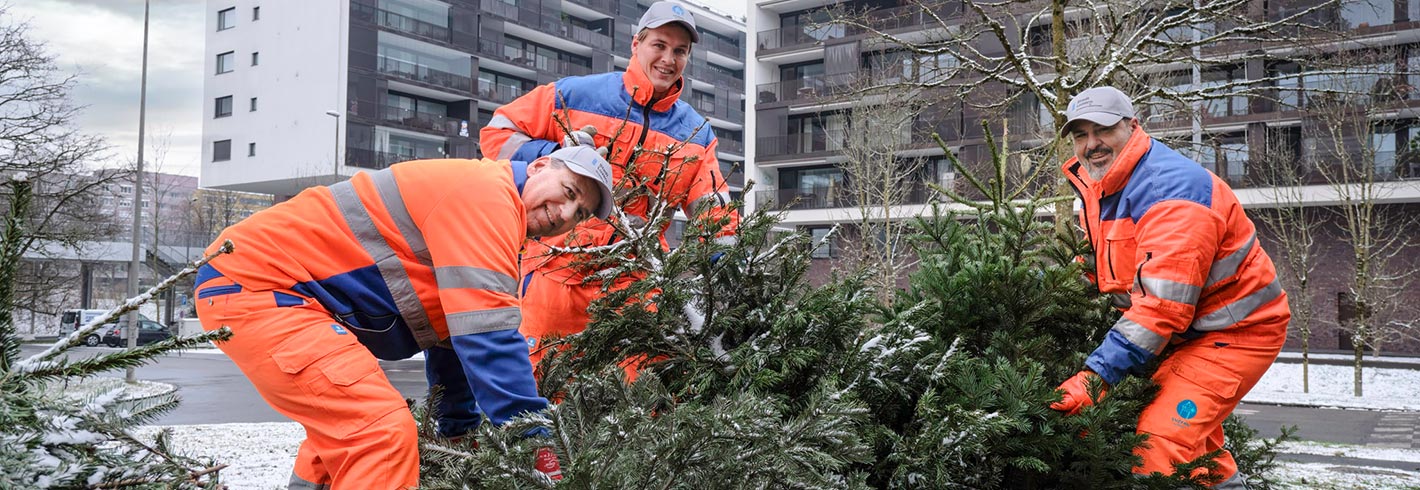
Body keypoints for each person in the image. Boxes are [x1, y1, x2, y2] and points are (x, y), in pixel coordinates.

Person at [192, 146, 615, 489]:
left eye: (578, 215)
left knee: (339, 440)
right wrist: (535, 442)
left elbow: (453, 335)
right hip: (261, 284)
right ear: (540, 165)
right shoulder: (488, 195)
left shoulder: (497, 221)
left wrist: (456, 428)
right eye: (570, 192)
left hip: (276, 290)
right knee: (378, 434)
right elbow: (488, 335)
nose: (564, 214)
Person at [1049, 86, 1289, 488]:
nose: (1091, 144)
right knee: (1196, 453)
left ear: (1132, 126)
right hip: (1191, 333)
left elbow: (1160, 309)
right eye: (1080, 134)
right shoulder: (1106, 185)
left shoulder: (1170, 193)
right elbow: (1105, 262)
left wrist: (1094, 379)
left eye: (1103, 130)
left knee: (1156, 442)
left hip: (1236, 334)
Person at [481, 1, 740, 373]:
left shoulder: (697, 135)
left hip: (636, 287)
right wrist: (559, 155)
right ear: (637, 43)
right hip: (556, 276)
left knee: (636, 406)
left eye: (680, 51)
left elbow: (713, 213)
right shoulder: (574, 96)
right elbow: (498, 132)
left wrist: (725, 275)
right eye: (660, 45)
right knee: (541, 392)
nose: (669, 58)